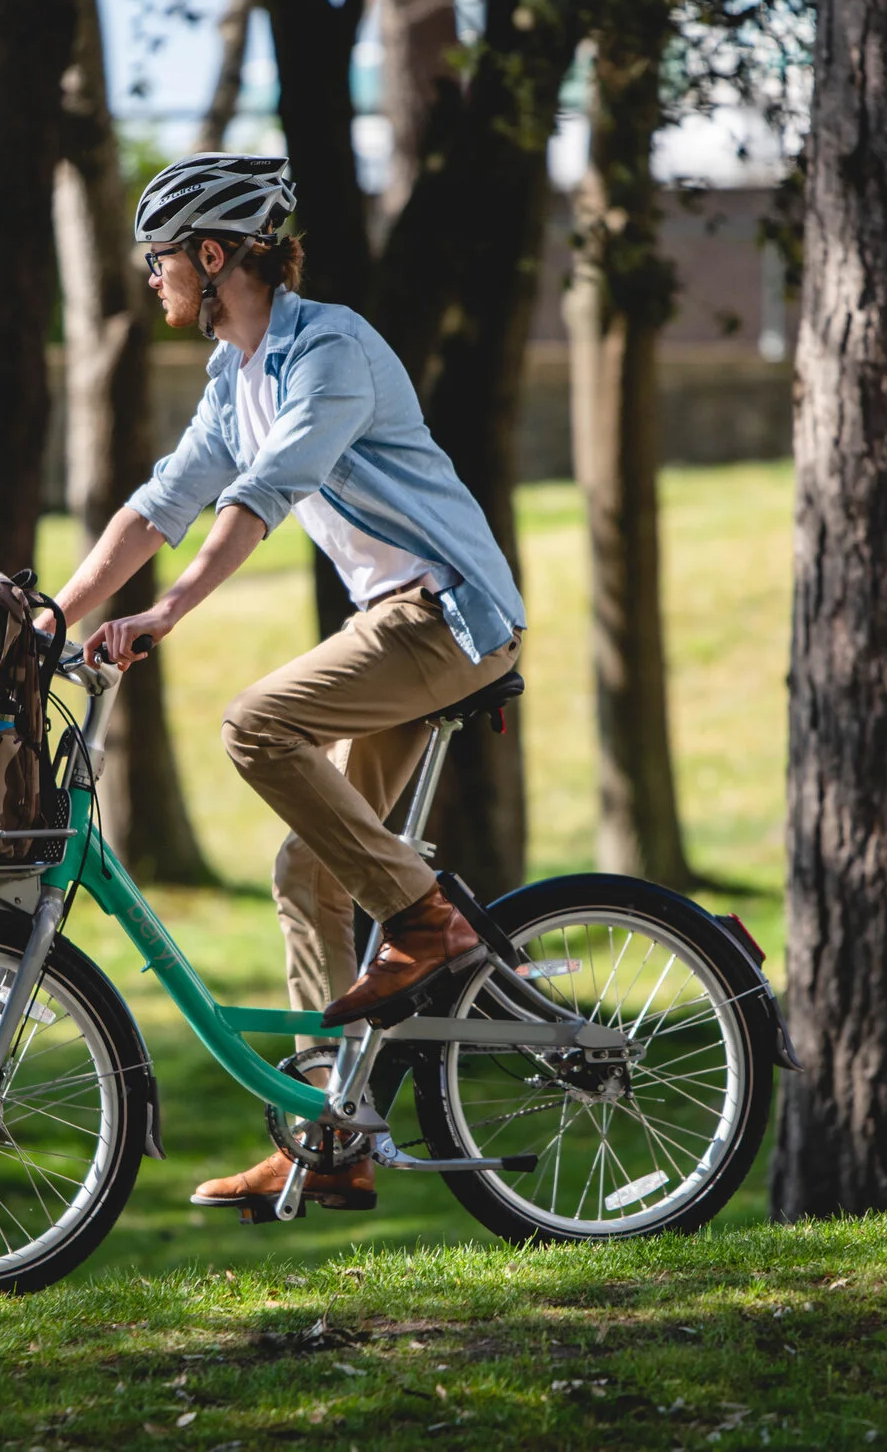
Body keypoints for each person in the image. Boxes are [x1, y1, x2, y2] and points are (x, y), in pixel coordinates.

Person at [45, 152, 527, 1214]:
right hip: (395, 622)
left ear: (215, 255)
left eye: (162, 257)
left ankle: (427, 920)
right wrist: (53, 616)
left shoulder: (329, 350)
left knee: (255, 724)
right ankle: (331, 1136)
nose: (152, 276)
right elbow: (160, 504)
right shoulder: (236, 378)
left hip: (447, 616)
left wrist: (166, 613)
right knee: (308, 873)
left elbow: (266, 493)